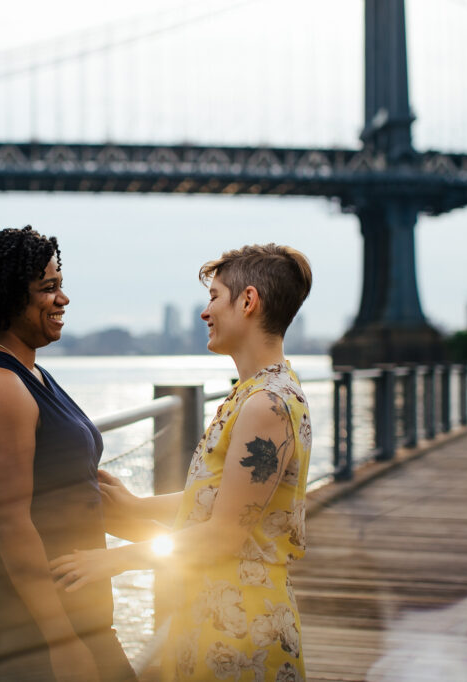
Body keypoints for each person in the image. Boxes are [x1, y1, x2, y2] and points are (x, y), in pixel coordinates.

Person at [50, 244, 313, 682]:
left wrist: (111, 561)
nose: (205, 312)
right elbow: (221, 499)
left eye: (214, 297)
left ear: (248, 302)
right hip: (217, 609)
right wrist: (136, 508)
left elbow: (223, 535)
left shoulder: (266, 404)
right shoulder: (259, 391)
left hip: (241, 627)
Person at [0, 225, 136, 682]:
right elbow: (10, 524)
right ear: (9, 299)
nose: (63, 299)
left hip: (77, 607)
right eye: (48, 288)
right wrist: (61, 642)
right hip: (26, 626)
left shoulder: (32, 374)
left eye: (60, 284)